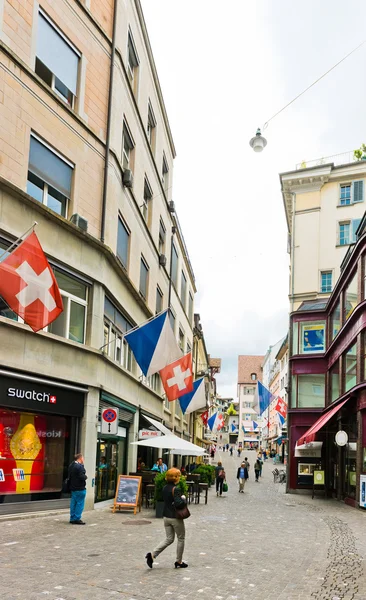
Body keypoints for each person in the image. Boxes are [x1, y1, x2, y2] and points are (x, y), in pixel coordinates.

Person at [145, 468, 188, 569]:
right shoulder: (176, 489)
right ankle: (179, 561)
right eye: (178, 476)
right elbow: (178, 503)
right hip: (175, 517)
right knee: (181, 538)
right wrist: (183, 499)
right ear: (176, 478)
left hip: (166, 517)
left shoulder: (164, 488)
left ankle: (152, 555)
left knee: (169, 539)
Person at [68, 453, 87, 525]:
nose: (83, 459)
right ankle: (77, 518)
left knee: (73, 503)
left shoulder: (71, 465)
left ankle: (72, 518)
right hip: (80, 488)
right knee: (80, 504)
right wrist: (86, 477)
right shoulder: (79, 467)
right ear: (80, 458)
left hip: (73, 488)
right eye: (83, 458)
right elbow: (82, 476)